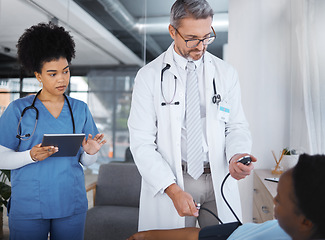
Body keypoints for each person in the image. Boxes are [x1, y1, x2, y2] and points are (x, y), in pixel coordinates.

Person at [128, 0, 257, 231]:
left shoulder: (226, 73)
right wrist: (172, 188)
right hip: (176, 180)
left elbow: (236, 126)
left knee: (223, 236)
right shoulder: (148, 77)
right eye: (191, 38)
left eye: (206, 36)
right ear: (172, 31)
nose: (200, 46)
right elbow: (141, 142)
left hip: (218, 176)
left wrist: (237, 155)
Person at [0, 22, 106, 240]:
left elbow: (85, 162)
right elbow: (1, 159)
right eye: (52, 73)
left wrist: (91, 151)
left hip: (70, 202)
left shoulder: (80, 109)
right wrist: (30, 155)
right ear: (38, 75)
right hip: (29, 206)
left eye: (66, 71)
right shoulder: (18, 110)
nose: (62, 79)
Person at [127, 153, 325, 240]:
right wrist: (146, 236)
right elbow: (198, 236)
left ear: (305, 221)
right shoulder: (272, 227)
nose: (274, 200)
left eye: (279, 199)